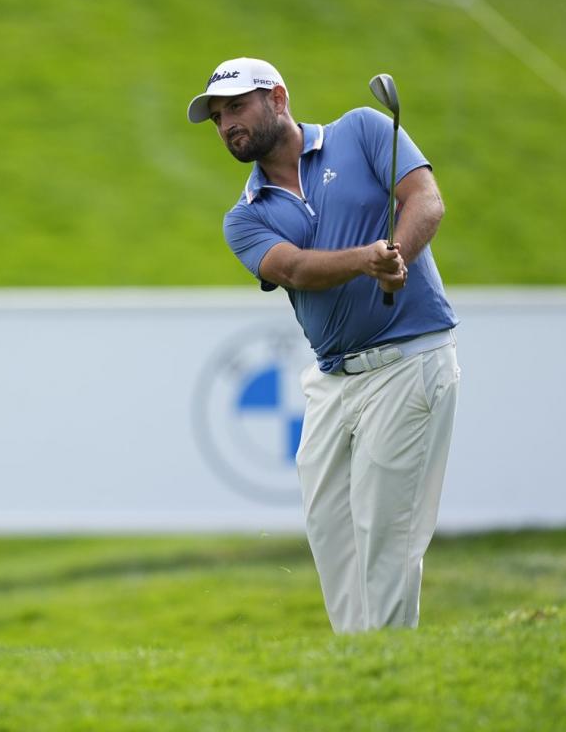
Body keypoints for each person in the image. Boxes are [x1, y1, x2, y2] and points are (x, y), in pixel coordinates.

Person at [187, 57, 461, 634]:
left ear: (277, 98)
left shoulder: (362, 129)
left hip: (407, 359)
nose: (227, 125)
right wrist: (368, 260)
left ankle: (390, 662)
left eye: (236, 107)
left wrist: (400, 257)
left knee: (386, 529)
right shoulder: (245, 217)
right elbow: (295, 269)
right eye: (217, 118)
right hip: (333, 378)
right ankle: (360, 663)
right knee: (332, 532)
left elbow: (425, 200)